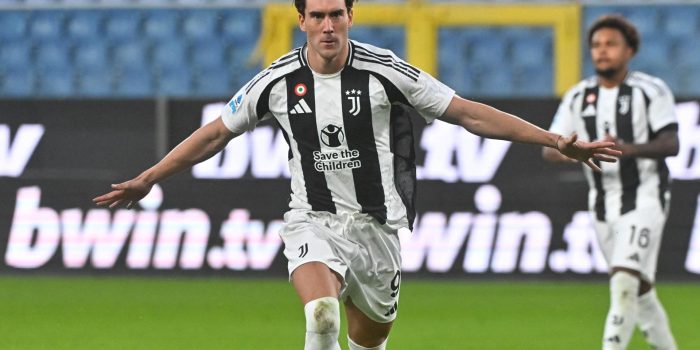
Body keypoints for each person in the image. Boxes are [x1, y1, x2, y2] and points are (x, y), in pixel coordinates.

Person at [94, 1, 620, 349]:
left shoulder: (384, 70)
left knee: (369, 339)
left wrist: (555, 139)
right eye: (317, 15)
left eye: (337, 15)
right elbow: (214, 135)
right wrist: (151, 176)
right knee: (321, 314)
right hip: (313, 219)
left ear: (351, 17)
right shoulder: (274, 82)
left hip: (380, 228)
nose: (328, 26)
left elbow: (467, 113)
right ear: (301, 20)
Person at [542, 14, 679, 350]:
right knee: (640, 289)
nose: (602, 51)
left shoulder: (650, 90)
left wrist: (627, 148)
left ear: (629, 50)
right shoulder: (578, 96)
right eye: (597, 45)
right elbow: (551, 149)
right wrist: (571, 151)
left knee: (623, 283)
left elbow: (671, 144)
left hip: (645, 197)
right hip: (603, 204)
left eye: (611, 44)